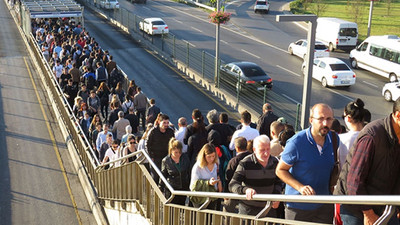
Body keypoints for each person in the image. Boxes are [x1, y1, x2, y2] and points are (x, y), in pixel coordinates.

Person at [334, 98, 400, 225]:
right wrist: (368, 213)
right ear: (398, 116)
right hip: (355, 207)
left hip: (383, 206)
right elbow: (354, 181)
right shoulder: (372, 136)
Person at [276, 103, 337, 223]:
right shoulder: (296, 142)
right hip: (298, 207)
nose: (325, 123)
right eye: (320, 119)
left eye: (329, 119)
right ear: (311, 120)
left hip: (324, 205)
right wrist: (300, 187)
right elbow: (280, 170)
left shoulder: (334, 139)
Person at [229, 135, 282, 217]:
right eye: (262, 150)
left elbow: (279, 182)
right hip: (248, 211)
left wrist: (276, 195)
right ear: (254, 150)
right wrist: (245, 190)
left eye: (268, 149)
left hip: (268, 210)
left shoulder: (275, 162)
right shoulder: (245, 163)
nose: (266, 153)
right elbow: (232, 184)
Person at [338, 98, 369, 170]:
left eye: (344, 116)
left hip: (343, 178)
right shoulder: (370, 138)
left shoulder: (340, 139)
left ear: (348, 118)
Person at [190, 143, 222, 209]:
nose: (211, 159)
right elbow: (194, 185)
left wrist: (219, 182)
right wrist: (208, 183)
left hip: (212, 196)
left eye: (213, 156)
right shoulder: (198, 167)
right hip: (200, 198)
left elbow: (217, 176)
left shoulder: (216, 164)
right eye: (209, 157)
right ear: (204, 156)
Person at [159, 138, 191, 205]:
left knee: (182, 206)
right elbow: (163, 175)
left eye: (180, 152)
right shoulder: (166, 161)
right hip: (171, 189)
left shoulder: (185, 157)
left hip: (183, 188)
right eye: (176, 152)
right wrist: (160, 188)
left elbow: (189, 171)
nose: (178, 154)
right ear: (171, 151)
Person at [224, 137, 251, 213]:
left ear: (236, 148)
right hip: (249, 190)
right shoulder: (252, 158)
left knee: (227, 211)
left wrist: (226, 193)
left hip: (235, 191)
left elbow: (228, 178)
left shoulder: (234, 161)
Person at [146, 114, 175, 183]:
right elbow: (147, 144)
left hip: (167, 157)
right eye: (164, 123)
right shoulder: (153, 131)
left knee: (167, 176)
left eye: (167, 123)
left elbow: (173, 144)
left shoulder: (170, 132)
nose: (166, 125)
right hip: (156, 157)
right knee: (155, 176)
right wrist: (151, 156)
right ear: (159, 122)